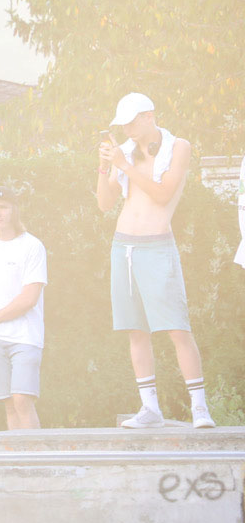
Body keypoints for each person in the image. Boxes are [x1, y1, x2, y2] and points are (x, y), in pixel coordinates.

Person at [97, 92, 215, 428]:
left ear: (149, 115)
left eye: (133, 121)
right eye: (123, 124)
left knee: (177, 329)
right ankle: (150, 408)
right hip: (123, 247)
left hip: (157, 245)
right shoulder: (126, 153)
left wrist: (124, 165)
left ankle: (200, 407)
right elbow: (105, 203)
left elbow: (163, 194)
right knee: (136, 330)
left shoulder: (178, 146)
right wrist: (106, 165)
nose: (128, 129)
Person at [0, 187, 47, 431]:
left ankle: (39, 461)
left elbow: (29, 298)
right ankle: (19, 463)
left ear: (14, 210)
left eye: (3, 206)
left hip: (25, 337)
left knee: (22, 399)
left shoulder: (32, 246)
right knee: (9, 404)